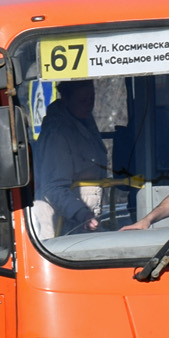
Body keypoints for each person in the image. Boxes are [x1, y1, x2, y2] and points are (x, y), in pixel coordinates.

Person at [32, 80, 108, 237]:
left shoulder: (84, 121)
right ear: (66, 100)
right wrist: (81, 213)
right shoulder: (58, 134)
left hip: (84, 221)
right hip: (63, 225)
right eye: (82, 100)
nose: (89, 104)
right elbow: (53, 187)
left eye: (91, 98)